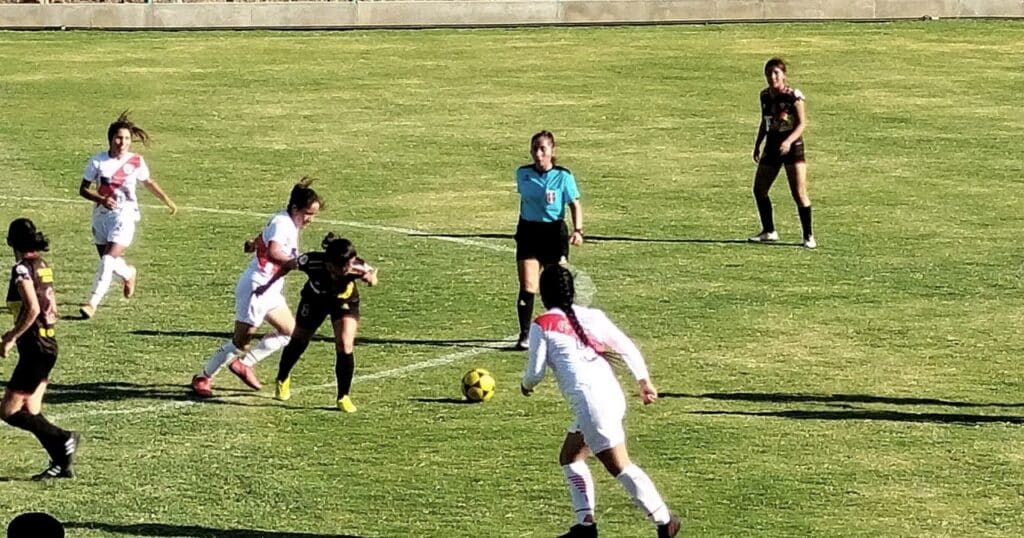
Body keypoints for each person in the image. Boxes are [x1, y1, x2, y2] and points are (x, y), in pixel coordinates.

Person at [521, 265, 680, 538]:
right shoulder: (592, 316)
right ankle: (585, 526)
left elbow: (535, 373)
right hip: (611, 396)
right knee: (570, 457)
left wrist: (526, 386)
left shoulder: (543, 324)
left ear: (545, 294)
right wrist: (643, 381)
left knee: (620, 465)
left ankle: (665, 522)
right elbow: (626, 346)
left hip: (592, 406)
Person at [190, 179, 322, 398]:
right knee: (241, 341)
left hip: (270, 289)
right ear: (296, 208)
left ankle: (244, 364)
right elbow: (273, 251)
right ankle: (203, 377)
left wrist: (252, 243)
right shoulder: (283, 223)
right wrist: (298, 262)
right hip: (257, 287)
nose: (311, 220)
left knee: (291, 333)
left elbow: (264, 238)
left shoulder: (286, 220)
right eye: (309, 214)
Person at [254, 233, 378, 412]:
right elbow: (287, 266)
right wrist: (267, 286)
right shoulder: (311, 261)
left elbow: (373, 277)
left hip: (343, 302)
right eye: (343, 266)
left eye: (351, 264)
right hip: (314, 300)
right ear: (329, 264)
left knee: (344, 344)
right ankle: (282, 378)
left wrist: (370, 280)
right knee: (299, 339)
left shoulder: (356, 266)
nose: (348, 269)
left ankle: (343, 396)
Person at [78, 111, 178, 319]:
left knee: (107, 260)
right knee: (111, 263)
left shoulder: (136, 161)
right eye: (118, 138)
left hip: (125, 216)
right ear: (110, 139)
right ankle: (128, 273)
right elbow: (83, 189)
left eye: (126, 139)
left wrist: (166, 200)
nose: (122, 142)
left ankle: (92, 303)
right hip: (101, 217)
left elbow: (148, 182)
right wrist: (101, 200)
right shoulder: (97, 162)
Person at [1, 219, 80, 480]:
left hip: (34, 349)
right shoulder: (43, 266)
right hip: (47, 346)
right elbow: (52, 308)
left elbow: (34, 308)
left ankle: (64, 438)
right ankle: (62, 463)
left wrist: (11, 337)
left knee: (9, 412)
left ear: (12, 242)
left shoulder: (22, 270)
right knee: (31, 411)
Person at [514, 131, 584, 350]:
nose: (538, 153)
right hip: (528, 232)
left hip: (554, 234)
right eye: (534, 148)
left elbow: (574, 204)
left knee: (559, 289)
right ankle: (524, 335)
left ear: (552, 151)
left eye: (542, 149)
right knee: (528, 286)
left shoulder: (563, 176)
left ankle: (566, 330)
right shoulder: (523, 174)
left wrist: (578, 230)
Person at [748, 57, 816, 249]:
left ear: (784, 75)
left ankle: (808, 235)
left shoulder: (793, 96)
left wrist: (788, 141)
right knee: (759, 189)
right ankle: (769, 231)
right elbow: (765, 121)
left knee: (798, 193)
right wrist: (758, 144)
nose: (772, 77)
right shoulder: (764, 96)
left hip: (792, 148)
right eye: (769, 73)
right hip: (772, 146)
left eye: (776, 73)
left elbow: (802, 124)